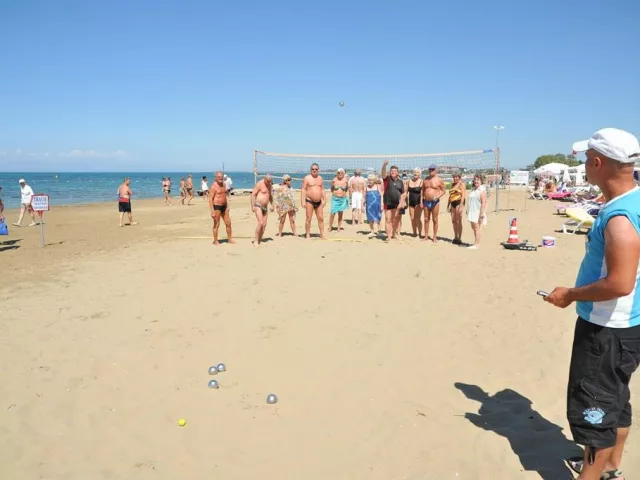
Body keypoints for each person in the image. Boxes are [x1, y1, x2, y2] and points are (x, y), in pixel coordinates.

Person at [544, 128, 640, 480]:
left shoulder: (620, 217)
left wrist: (569, 294)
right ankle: (611, 467)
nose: (584, 165)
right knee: (616, 398)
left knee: (595, 409)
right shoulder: (632, 202)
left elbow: (619, 283)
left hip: (607, 329)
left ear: (599, 163)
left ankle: (594, 473)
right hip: (628, 325)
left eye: (587, 159)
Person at [381, 160, 407, 241]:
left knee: (396, 220)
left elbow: (402, 193)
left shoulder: (400, 182)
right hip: (388, 202)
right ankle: (389, 236)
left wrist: (402, 202)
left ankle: (395, 234)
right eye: (391, 170)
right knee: (388, 220)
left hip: (397, 204)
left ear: (397, 173)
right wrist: (384, 166)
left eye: (395, 171)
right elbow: (383, 173)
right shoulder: (387, 179)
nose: (393, 172)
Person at [421, 164, 446, 243]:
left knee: (435, 219)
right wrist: (421, 201)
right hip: (426, 201)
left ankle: (434, 237)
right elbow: (422, 190)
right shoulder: (426, 179)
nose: (431, 171)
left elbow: (443, 190)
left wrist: (438, 196)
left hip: (435, 202)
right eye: (430, 169)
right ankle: (426, 236)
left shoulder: (439, 180)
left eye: (432, 169)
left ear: (435, 170)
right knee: (426, 219)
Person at [300, 163, 326, 239]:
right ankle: (307, 234)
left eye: (316, 169)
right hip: (309, 201)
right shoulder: (307, 178)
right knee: (308, 218)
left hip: (319, 201)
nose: (314, 170)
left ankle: (322, 234)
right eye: (313, 169)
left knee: (321, 218)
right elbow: (303, 189)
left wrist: (324, 199)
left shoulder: (320, 178)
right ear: (310, 170)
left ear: (318, 170)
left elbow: (322, 189)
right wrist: (302, 201)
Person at [209, 171, 234, 245]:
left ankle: (229, 239)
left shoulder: (224, 184)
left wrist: (227, 205)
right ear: (215, 178)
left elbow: (224, 195)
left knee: (228, 223)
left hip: (224, 206)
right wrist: (212, 211)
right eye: (218, 177)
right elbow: (210, 199)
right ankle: (215, 241)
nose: (220, 178)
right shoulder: (213, 186)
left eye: (221, 177)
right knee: (217, 224)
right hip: (217, 206)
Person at [251, 174, 274, 246]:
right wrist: (252, 205)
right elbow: (253, 195)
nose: (269, 182)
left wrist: (272, 205)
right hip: (258, 205)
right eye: (268, 181)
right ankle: (255, 241)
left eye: (270, 181)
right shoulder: (259, 184)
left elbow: (270, 196)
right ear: (264, 178)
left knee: (264, 224)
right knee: (260, 223)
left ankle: (260, 240)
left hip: (265, 207)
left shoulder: (270, 185)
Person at [466, 175, 486, 249]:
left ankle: (477, 244)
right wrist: (467, 209)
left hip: (478, 211)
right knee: (474, 227)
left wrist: (481, 213)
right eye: (475, 180)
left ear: (481, 181)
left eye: (478, 180)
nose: (476, 181)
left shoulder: (481, 190)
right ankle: (476, 242)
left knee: (477, 228)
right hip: (472, 211)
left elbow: (484, 202)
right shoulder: (474, 189)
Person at [448, 173, 466, 245]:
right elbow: (450, 196)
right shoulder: (452, 184)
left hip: (459, 202)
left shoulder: (462, 184)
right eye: (454, 177)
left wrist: (461, 205)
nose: (455, 178)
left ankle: (459, 238)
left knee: (458, 221)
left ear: (459, 177)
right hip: (452, 203)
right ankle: (455, 237)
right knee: (453, 221)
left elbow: (463, 195)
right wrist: (448, 205)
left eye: (456, 177)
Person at [406, 168, 423, 238]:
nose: (415, 173)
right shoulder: (409, 181)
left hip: (418, 203)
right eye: (415, 172)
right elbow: (405, 192)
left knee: (417, 218)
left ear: (420, 174)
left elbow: (422, 193)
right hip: (411, 203)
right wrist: (405, 201)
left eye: (417, 172)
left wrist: (421, 202)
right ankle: (414, 233)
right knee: (412, 218)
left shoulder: (421, 181)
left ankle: (420, 233)